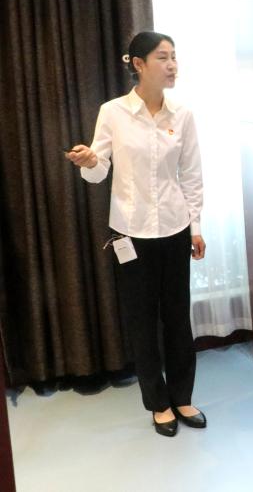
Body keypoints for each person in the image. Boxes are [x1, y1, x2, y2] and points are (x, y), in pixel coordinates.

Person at [67, 31, 206, 438]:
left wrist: (196, 227)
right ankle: (158, 404)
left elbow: (192, 175)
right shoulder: (113, 112)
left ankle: (182, 396)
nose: (172, 65)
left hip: (176, 228)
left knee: (178, 316)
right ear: (139, 64)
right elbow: (98, 172)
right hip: (130, 231)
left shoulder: (182, 114)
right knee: (142, 320)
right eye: (163, 57)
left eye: (174, 56)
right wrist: (89, 161)